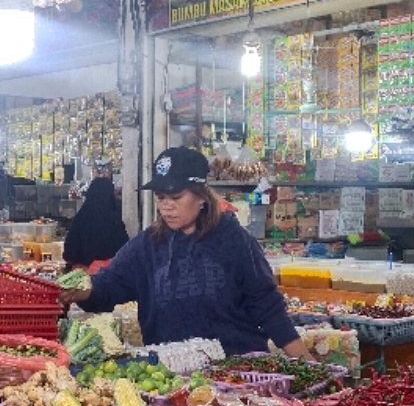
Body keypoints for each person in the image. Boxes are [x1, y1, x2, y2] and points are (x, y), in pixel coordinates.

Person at [59, 146, 310, 358]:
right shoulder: (147, 246)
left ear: (201, 197)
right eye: (160, 197)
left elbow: (266, 304)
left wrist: (304, 361)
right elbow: (108, 285)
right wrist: (83, 290)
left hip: (235, 373)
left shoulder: (233, 239)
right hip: (171, 375)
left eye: (176, 197)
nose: (166, 207)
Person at [63, 176, 129, 274]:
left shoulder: (82, 217)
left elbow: (69, 251)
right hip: (108, 275)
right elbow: (124, 251)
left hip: (81, 274)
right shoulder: (114, 220)